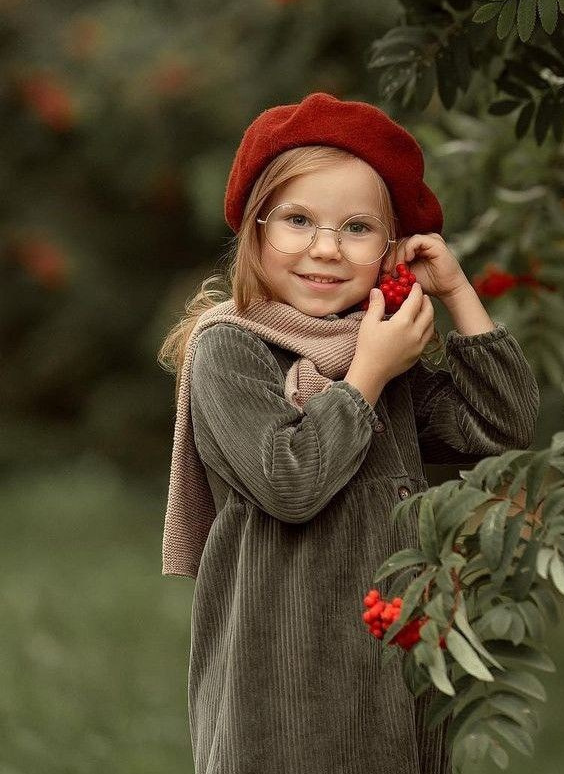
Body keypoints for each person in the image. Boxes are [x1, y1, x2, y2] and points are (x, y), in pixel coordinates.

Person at [157, 91, 540, 774]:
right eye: (299, 219)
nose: (326, 249)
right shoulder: (232, 350)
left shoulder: (379, 353)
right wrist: (367, 375)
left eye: (357, 228)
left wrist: (455, 292)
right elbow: (290, 480)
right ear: (256, 230)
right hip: (281, 697)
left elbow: (502, 426)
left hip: (392, 682)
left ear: (391, 248)